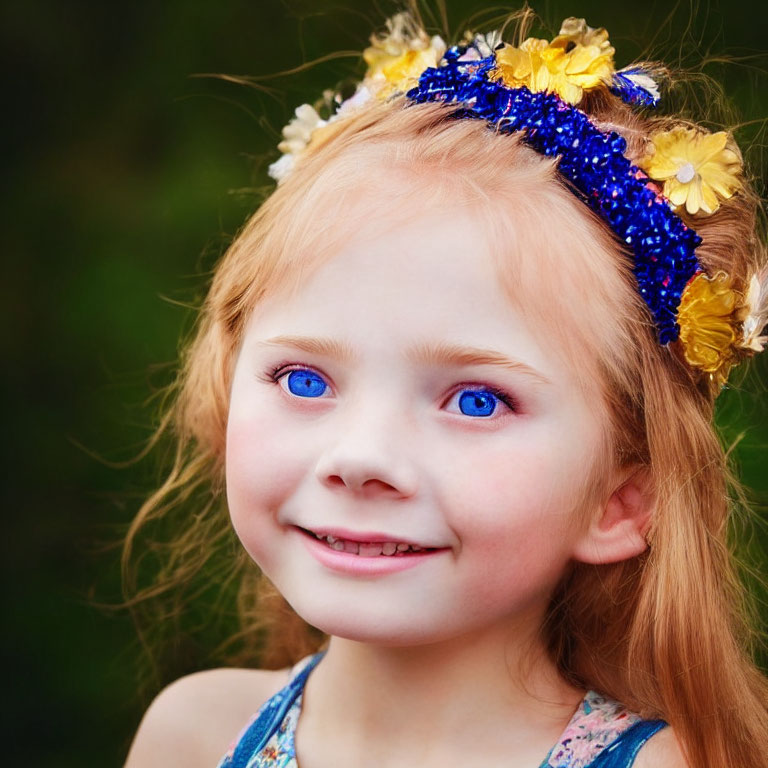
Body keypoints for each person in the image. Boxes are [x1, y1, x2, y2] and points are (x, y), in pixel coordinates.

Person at [123, 9, 768, 768]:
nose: (359, 456)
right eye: (304, 379)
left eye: (476, 401)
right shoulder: (194, 737)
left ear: (620, 500)